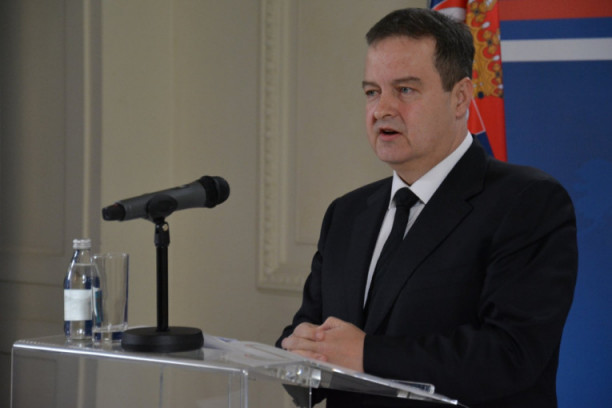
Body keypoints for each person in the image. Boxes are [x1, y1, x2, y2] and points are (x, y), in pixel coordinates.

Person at [276, 7, 577, 408]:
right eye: (372, 92)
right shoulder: (346, 214)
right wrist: (294, 352)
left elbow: (510, 354)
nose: (382, 109)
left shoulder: (528, 201)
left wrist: (367, 354)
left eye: (405, 90)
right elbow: (313, 335)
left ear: (461, 98)